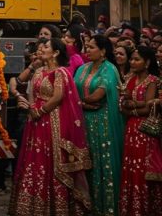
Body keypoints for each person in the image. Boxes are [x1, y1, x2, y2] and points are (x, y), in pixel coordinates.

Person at [8, 38, 91, 215]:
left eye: (45, 47)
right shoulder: (38, 72)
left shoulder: (61, 72)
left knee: (50, 159)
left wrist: (40, 111)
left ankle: (55, 208)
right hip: (35, 121)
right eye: (40, 47)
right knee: (34, 158)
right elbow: (32, 93)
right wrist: (32, 108)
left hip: (52, 120)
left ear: (56, 53)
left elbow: (58, 96)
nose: (41, 49)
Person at [74, 35, 123, 216]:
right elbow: (73, 93)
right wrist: (82, 104)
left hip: (102, 123)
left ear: (103, 51)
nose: (87, 50)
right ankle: (85, 205)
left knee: (101, 164)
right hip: (83, 122)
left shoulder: (109, 69)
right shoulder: (82, 69)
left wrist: (81, 102)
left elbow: (97, 96)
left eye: (92, 47)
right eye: (86, 47)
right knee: (85, 162)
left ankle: (104, 207)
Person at [118, 46, 162, 216]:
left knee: (143, 170)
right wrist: (134, 106)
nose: (132, 62)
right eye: (132, 59)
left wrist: (132, 107)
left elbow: (149, 107)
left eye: (137, 59)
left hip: (146, 131)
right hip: (130, 130)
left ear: (148, 62)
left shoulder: (153, 81)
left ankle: (146, 210)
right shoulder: (129, 79)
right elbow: (122, 105)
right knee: (131, 168)